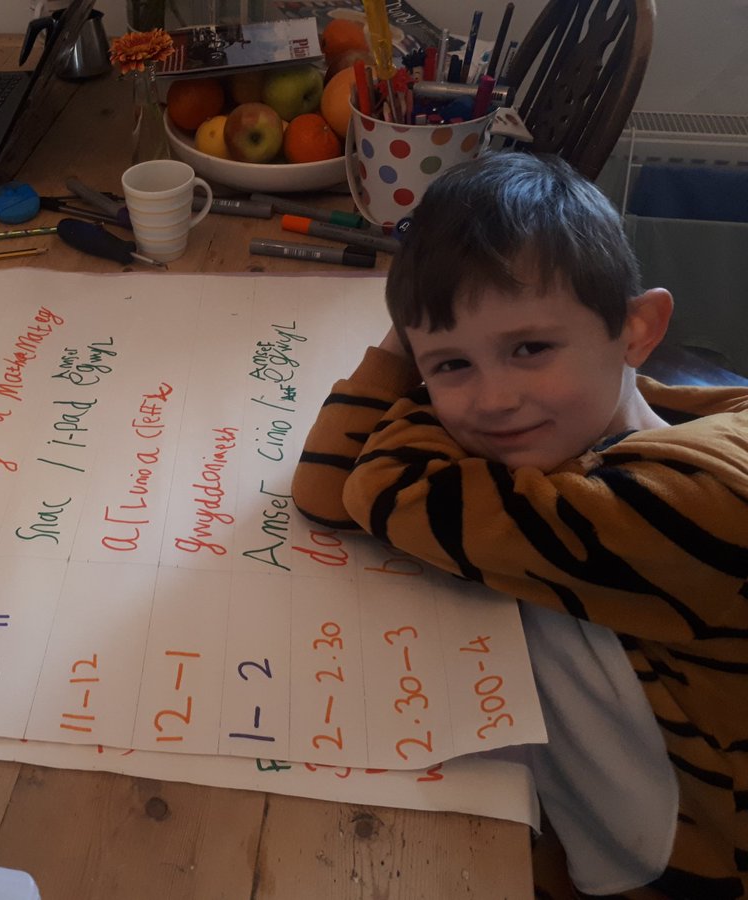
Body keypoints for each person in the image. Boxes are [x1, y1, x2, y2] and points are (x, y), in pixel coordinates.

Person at [291, 151, 748, 898]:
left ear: (637, 330)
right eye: (451, 366)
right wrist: (424, 346)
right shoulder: (573, 440)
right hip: (594, 809)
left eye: (529, 348)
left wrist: (428, 352)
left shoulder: (695, 499)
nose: (495, 400)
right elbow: (323, 492)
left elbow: (377, 485)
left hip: (692, 869)